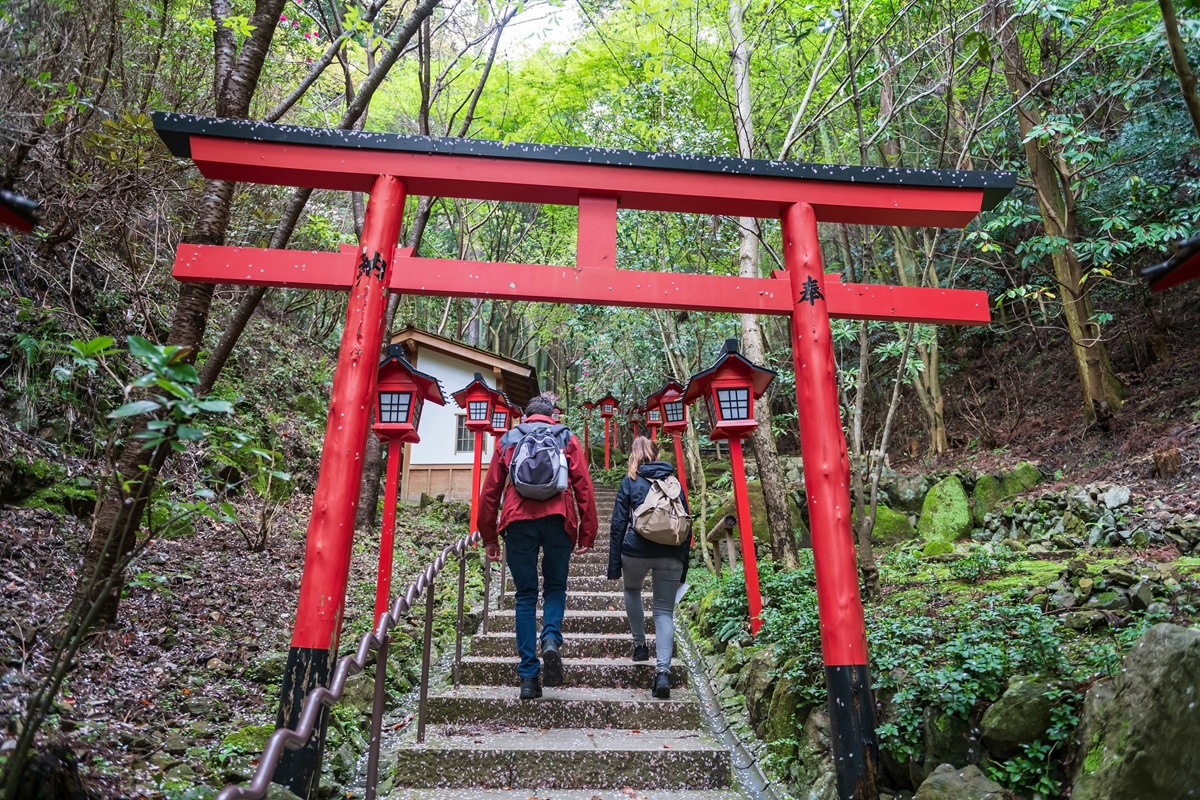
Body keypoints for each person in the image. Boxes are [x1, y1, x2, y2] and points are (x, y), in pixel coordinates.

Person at [478, 393, 598, 700]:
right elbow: (583, 485)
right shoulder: (565, 437)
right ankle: (551, 639)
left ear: (525, 417)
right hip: (559, 518)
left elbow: (490, 491)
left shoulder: (508, 439)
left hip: (518, 521)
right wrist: (588, 532)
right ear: (552, 416)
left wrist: (489, 536)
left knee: (525, 596)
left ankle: (529, 677)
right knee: (555, 587)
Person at [607, 436, 690, 699]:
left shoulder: (629, 481)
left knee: (631, 590)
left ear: (633, 455)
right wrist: (684, 568)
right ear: (656, 454)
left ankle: (640, 645)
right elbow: (686, 525)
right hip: (671, 554)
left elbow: (618, 524)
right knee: (664, 611)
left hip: (635, 551)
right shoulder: (673, 482)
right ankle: (663, 673)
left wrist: (614, 565)